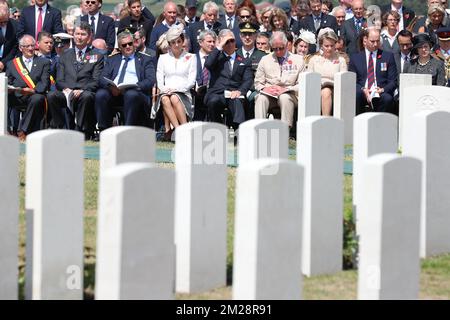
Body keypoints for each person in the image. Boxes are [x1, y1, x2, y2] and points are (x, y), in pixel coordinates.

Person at [47, 22, 104, 138]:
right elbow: (59, 79)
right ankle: (61, 129)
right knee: (52, 96)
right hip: (67, 91)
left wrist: (82, 89)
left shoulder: (97, 55)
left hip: (85, 91)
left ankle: (81, 131)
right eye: (77, 34)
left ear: (89, 37)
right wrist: (66, 89)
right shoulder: (65, 54)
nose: (79, 37)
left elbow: (96, 80)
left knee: (87, 96)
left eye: (83, 34)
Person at [95, 30, 155, 130]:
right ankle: (103, 130)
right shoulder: (112, 59)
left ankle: (127, 130)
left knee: (130, 94)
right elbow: (102, 78)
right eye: (124, 45)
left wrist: (136, 86)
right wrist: (111, 87)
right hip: (115, 92)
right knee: (101, 94)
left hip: (136, 93)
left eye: (130, 43)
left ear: (134, 44)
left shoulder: (145, 59)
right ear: (119, 47)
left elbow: (150, 79)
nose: (128, 46)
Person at [152, 26, 196, 141]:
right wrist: (164, 89)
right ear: (169, 44)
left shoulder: (191, 57)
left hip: (184, 92)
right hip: (166, 91)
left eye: (179, 42)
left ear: (182, 42)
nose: (176, 45)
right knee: (165, 99)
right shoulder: (163, 58)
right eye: (173, 42)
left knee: (175, 98)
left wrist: (177, 89)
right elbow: (159, 78)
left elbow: (191, 81)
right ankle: (179, 130)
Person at [254, 31, 306, 127]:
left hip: (290, 94)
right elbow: (258, 82)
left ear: (287, 45)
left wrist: (286, 89)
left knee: (284, 98)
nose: (278, 51)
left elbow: (302, 84)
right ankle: (260, 129)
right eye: (275, 49)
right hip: (270, 94)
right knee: (261, 98)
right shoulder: (265, 60)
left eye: (281, 48)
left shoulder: (298, 60)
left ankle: (285, 130)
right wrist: (265, 89)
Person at [204, 29, 253, 127]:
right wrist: (219, 45)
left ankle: (238, 131)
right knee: (213, 101)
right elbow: (208, 64)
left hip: (235, 93)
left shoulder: (244, 61)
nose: (230, 44)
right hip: (217, 93)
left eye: (232, 40)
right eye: (227, 41)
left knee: (237, 102)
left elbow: (248, 80)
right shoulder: (216, 58)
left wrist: (240, 91)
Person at [6, 34, 50, 140]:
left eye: (32, 46)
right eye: (27, 46)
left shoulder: (43, 62)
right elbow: (9, 81)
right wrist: (13, 89)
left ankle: (23, 131)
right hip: (17, 95)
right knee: (3, 98)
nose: (30, 49)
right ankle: (8, 130)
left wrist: (32, 90)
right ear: (21, 48)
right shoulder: (12, 64)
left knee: (37, 98)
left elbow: (44, 82)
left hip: (33, 95)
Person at [349, 27, 398, 114]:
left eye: (378, 41)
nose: (375, 44)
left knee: (387, 99)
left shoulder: (387, 56)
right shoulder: (355, 58)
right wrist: (363, 89)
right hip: (362, 91)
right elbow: (352, 80)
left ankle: (380, 125)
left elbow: (393, 81)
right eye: (372, 41)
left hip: (380, 91)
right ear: (365, 40)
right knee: (356, 95)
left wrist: (382, 90)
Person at [307, 28, 347, 115]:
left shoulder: (341, 60)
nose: (329, 48)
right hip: (316, 88)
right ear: (321, 46)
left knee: (326, 91)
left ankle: (326, 121)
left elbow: (344, 80)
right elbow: (309, 79)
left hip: (335, 90)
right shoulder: (314, 59)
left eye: (332, 46)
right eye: (326, 46)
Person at [237, 22, 267, 119]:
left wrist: (251, 89)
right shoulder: (234, 54)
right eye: (244, 34)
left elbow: (264, 77)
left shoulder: (262, 56)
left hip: (254, 90)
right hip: (237, 90)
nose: (247, 37)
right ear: (240, 36)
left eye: (250, 34)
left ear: (255, 36)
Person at [193, 29, 216, 121]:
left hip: (211, 92)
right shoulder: (192, 58)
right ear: (200, 42)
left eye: (214, 42)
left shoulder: (217, 58)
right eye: (209, 41)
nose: (212, 44)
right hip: (195, 92)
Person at [0, 5, 19, 72]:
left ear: (8, 16)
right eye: (0, 22)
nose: (2, 24)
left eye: (5, 22)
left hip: (8, 64)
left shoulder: (15, 26)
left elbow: (15, 47)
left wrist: (3, 62)